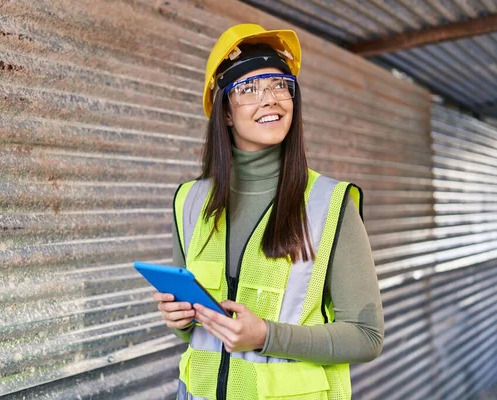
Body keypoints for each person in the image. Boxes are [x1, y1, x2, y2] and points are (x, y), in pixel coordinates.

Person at [153, 23, 384, 400]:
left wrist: (267, 336)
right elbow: (196, 328)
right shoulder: (189, 201)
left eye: (280, 85)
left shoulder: (329, 203)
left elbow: (366, 336)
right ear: (225, 113)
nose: (271, 98)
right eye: (248, 88)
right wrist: (179, 319)